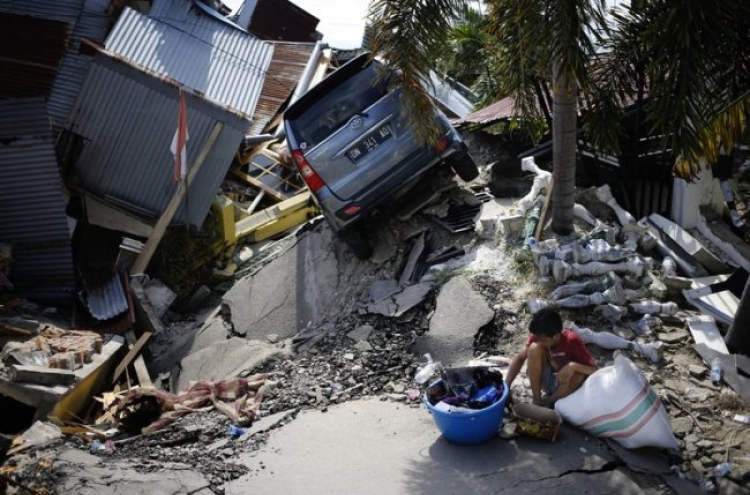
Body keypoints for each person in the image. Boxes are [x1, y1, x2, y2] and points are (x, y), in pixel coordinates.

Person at [505, 308, 597, 407]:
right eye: (537, 337)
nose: (539, 340)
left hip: (566, 387)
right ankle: (537, 401)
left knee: (579, 375)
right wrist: (506, 387)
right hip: (550, 380)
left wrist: (572, 366)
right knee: (534, 348)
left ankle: (549, 402)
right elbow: (520, 358)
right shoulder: (540, 336)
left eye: (543, 339)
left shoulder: (572, 341)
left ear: (556, 336)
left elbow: (594, 370)